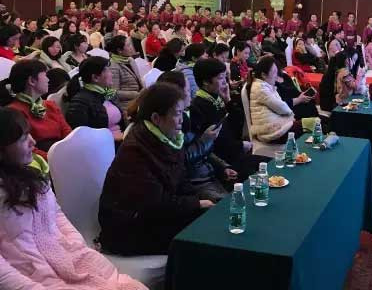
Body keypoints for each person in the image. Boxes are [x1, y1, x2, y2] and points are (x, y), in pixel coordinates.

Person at [0, 108, 147, 289]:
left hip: (67, 258)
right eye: (23, 138)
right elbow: (3, 273)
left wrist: (76, 246)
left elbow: (56, 215)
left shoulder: (32, 177)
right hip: (35, 280)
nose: (33, 142)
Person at [99, 83, 209, 256]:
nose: (182, 119)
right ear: (156, 118)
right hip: (129, 229)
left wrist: (200, 199)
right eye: (177, 113)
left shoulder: (168, 138)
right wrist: (196, 203)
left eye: (183, 112)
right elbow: (153, 204)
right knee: (201, 235)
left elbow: (180, 181)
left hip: (155, 216)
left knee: (209, 217)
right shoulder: (135, 150)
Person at [157, 71, 237, 203]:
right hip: (195, 183)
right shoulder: (170, 124)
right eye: (188, 90)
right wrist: (206, 140)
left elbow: (204, 154)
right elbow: (181, 159)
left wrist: (222, 167)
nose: (192, 94)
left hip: (208, 173)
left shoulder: (189, 114)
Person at [191, 59, 260, 178]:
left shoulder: (216, 97)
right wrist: (240, 145)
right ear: (206, 82)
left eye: (225, 77)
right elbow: (216, 144)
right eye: (220, 78)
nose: (225, 82)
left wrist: (228, 100)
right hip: (222, 163)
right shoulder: (198, 106)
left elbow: (237, 125)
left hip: (234, 152)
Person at [4, 60, 71, 158]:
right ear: (32, 81)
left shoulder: (50, 105)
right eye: (45, 75)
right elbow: (28, 149)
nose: (48, 80)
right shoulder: (13, 113)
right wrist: (54, 159)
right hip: (42, 160)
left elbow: (68, 133)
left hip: (61, 154)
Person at [65, 57, 123, 142]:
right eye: (107, 71)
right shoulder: (80, 103)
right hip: (105, 144)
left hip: (119, 138)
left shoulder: (107, 93)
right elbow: (81, 137)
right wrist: (113, 138)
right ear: (95, 78)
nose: (112, 74)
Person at [247, 56, 300, 146]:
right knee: (311, 124)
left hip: (275, 126)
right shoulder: (260, 88)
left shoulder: (265, 85)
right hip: (271, 132)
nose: (276, 76)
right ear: (264, 75)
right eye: (274, 72)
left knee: (311, 122)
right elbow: (281, 107)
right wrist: (290, 114)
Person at [106, 36, 144, 115]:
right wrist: (135, 94)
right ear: (119, 50)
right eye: (128, 45)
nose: (131, 48)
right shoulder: (113, 66)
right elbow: (113, 93)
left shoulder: (130, 60)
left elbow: (139, 80)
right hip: (127, 105)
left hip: (139, 99)